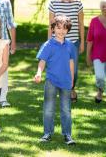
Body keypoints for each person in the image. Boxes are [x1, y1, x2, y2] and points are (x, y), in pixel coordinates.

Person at [34, 15, 76, 145]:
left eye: (64, 28)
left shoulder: (70, 46)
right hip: (51, 81)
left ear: (68, 30)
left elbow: (71, 64)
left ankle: (67, 135)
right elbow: (42, 61)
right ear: (52, 29)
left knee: (66, 110)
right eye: (58, 28)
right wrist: (39, 73)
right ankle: (47, 133)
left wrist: (72, 82)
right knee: (49, 108)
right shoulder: (48, 45)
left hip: (66, 82)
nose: (61, 31)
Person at [48, 0, 84, 103]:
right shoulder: (53, 3)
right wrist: (49, 42)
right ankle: (64, 91)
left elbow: (81, 24)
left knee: (73, 70)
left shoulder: (78, 3)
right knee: (58, 67)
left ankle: (72, 88)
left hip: (73, 42)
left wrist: (82, 42)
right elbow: (50, 24)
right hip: (57, 42)